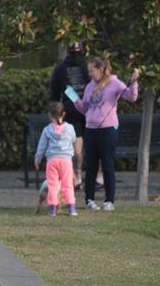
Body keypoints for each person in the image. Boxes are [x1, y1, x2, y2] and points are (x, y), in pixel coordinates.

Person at [74, 56, 139, 211]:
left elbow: (131, 96)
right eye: (88, 71)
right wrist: (76, 101)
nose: (89, 74)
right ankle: (89, 200)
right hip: (90, 130)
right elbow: (85, 109)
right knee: (91, 167)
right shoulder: (89, 86)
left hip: (107, 130)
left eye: (91, 71)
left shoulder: (114, 83)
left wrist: (134, 81)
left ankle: (109, 201)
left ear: (100, 69)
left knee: (108, 165)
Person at [50, 42, 90, 188]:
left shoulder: (60, 68)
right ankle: (99, 177)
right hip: (90, 110)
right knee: (93, 145)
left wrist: (55, 113)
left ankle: (77, 177)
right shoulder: (88, 66)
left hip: (71, 110)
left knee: (76, 145)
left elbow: (54, 94)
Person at [35, 102, 78, 216]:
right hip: (66, 160)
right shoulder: (69, 128)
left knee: (52, 185)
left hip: (52, 160)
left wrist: (37, 160)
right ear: (63, 114)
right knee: (67, 184)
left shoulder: (47, 130)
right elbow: (73, 140)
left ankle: (52, 209)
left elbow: (41, 147)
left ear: (49, 115)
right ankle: (71, 209)